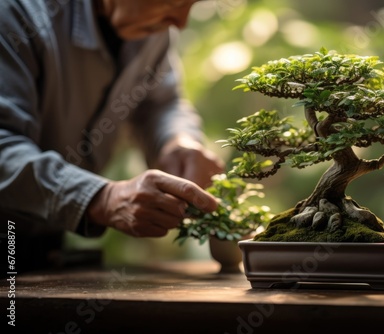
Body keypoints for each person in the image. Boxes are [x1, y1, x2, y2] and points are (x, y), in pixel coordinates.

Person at [0, 0, 225, 272]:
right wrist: (100, 198)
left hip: (46, 247)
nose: (181, 22)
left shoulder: (153, 32)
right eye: (174, 2)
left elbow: (160, 103)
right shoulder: (15, 15)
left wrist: (177, 141)